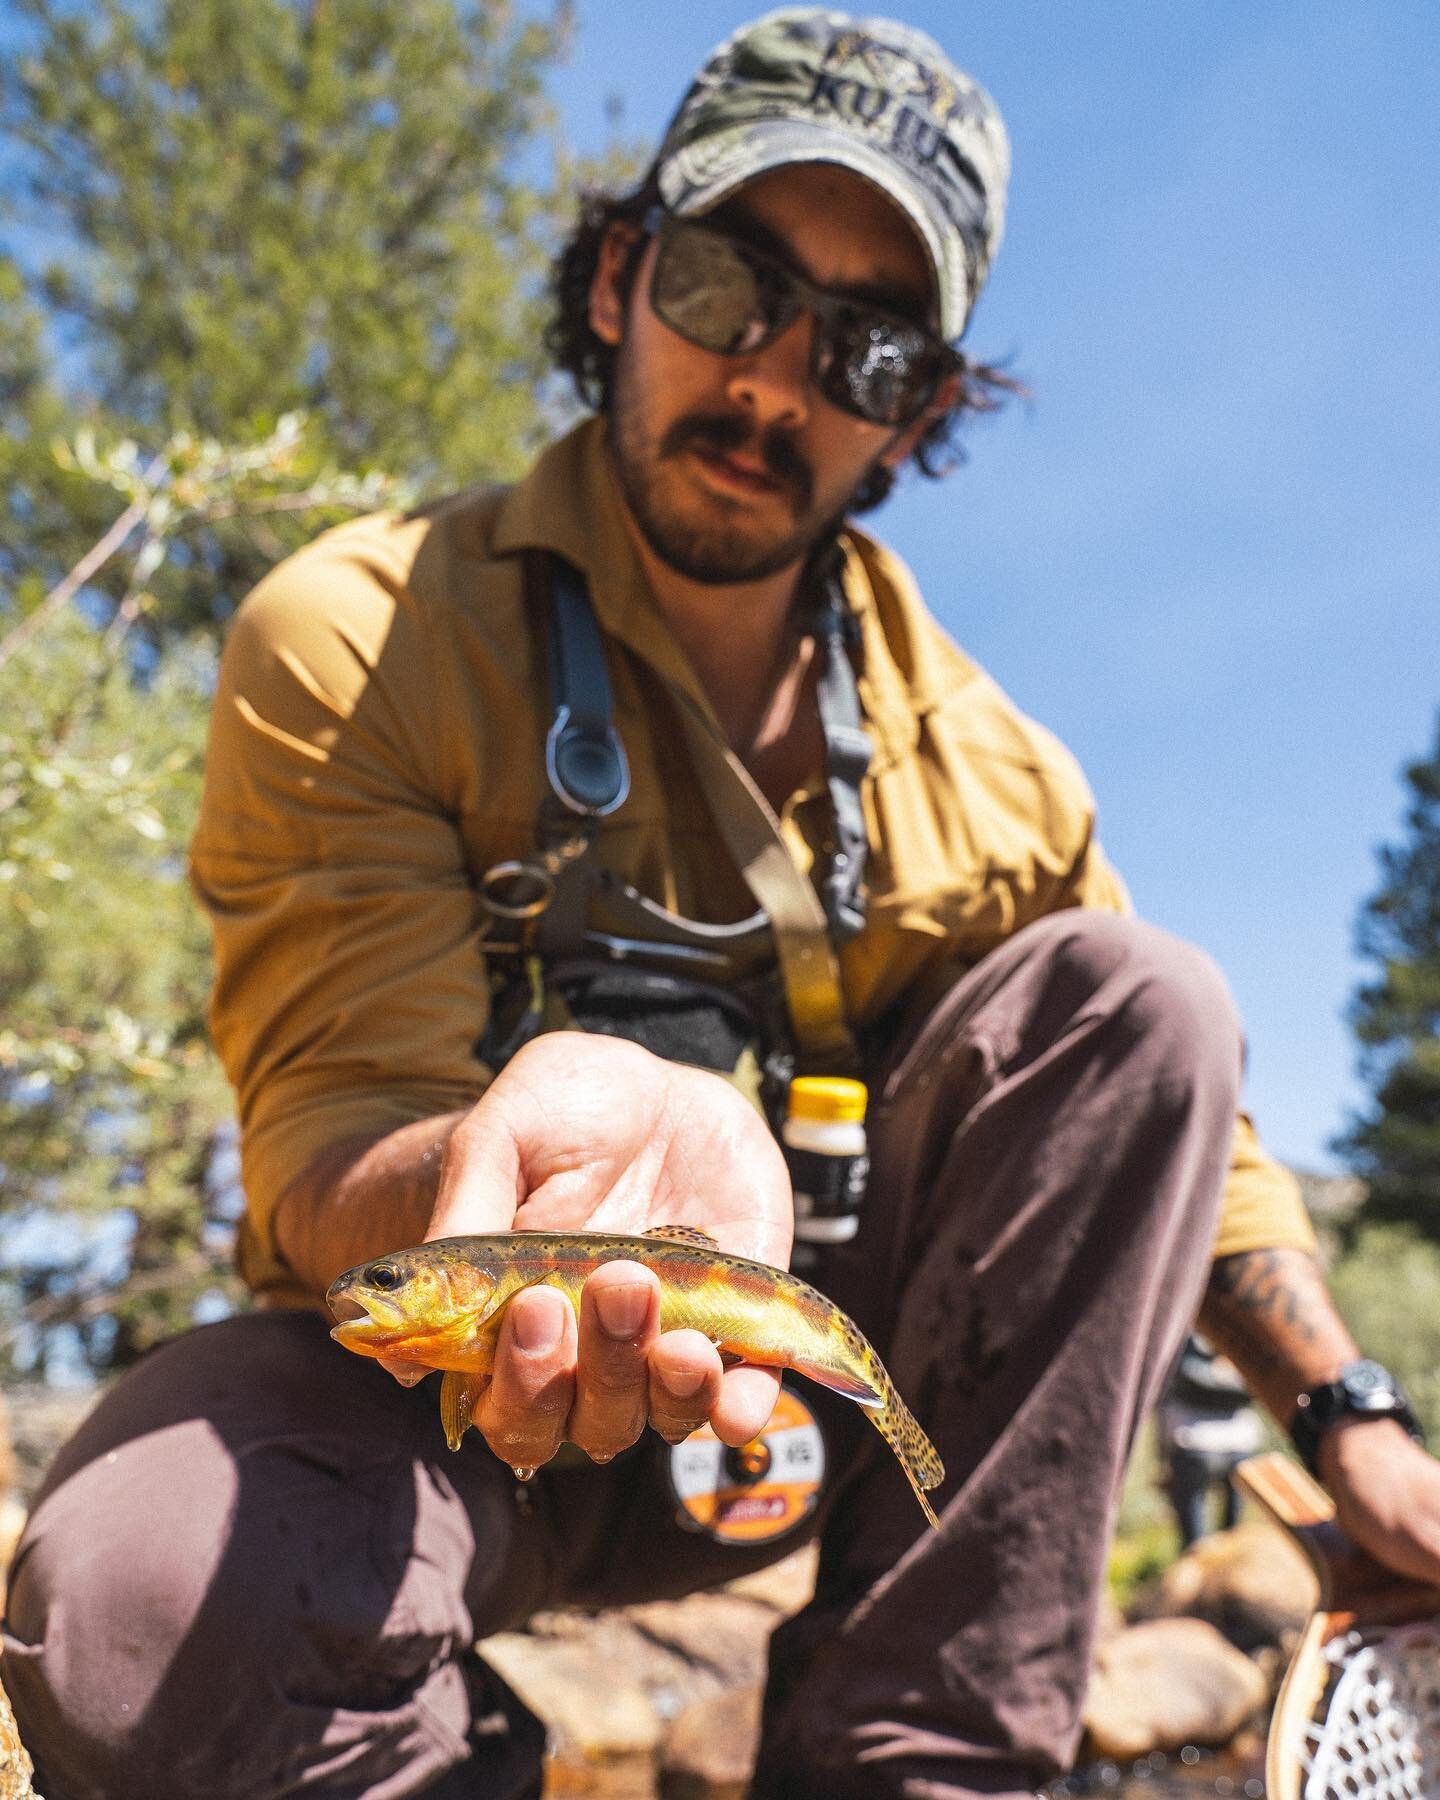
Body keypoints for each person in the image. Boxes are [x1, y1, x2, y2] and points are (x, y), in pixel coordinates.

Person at [6, 10, 1440, 1799]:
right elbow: (327, 1145)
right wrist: (501, 1202)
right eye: (722, 285)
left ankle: (919, 1764)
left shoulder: (991, 771)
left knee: (1146, 997)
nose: (772, 380)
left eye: (866, 346)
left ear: (914, 414)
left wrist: (1347, 1414)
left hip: (822, 1422)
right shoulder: (362, 639)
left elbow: (1188, 1139)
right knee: (139, 1609)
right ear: (616, 282)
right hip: (453, 1394)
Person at [1156, 1335, 1266, 1547]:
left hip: (1191, 1440)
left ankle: (1204, 1574)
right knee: (1232, 1536)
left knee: (1195, 1545)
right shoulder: (1236, 1333)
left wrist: (1162, 1458)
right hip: (1239, 1442)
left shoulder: (1182, 1336)